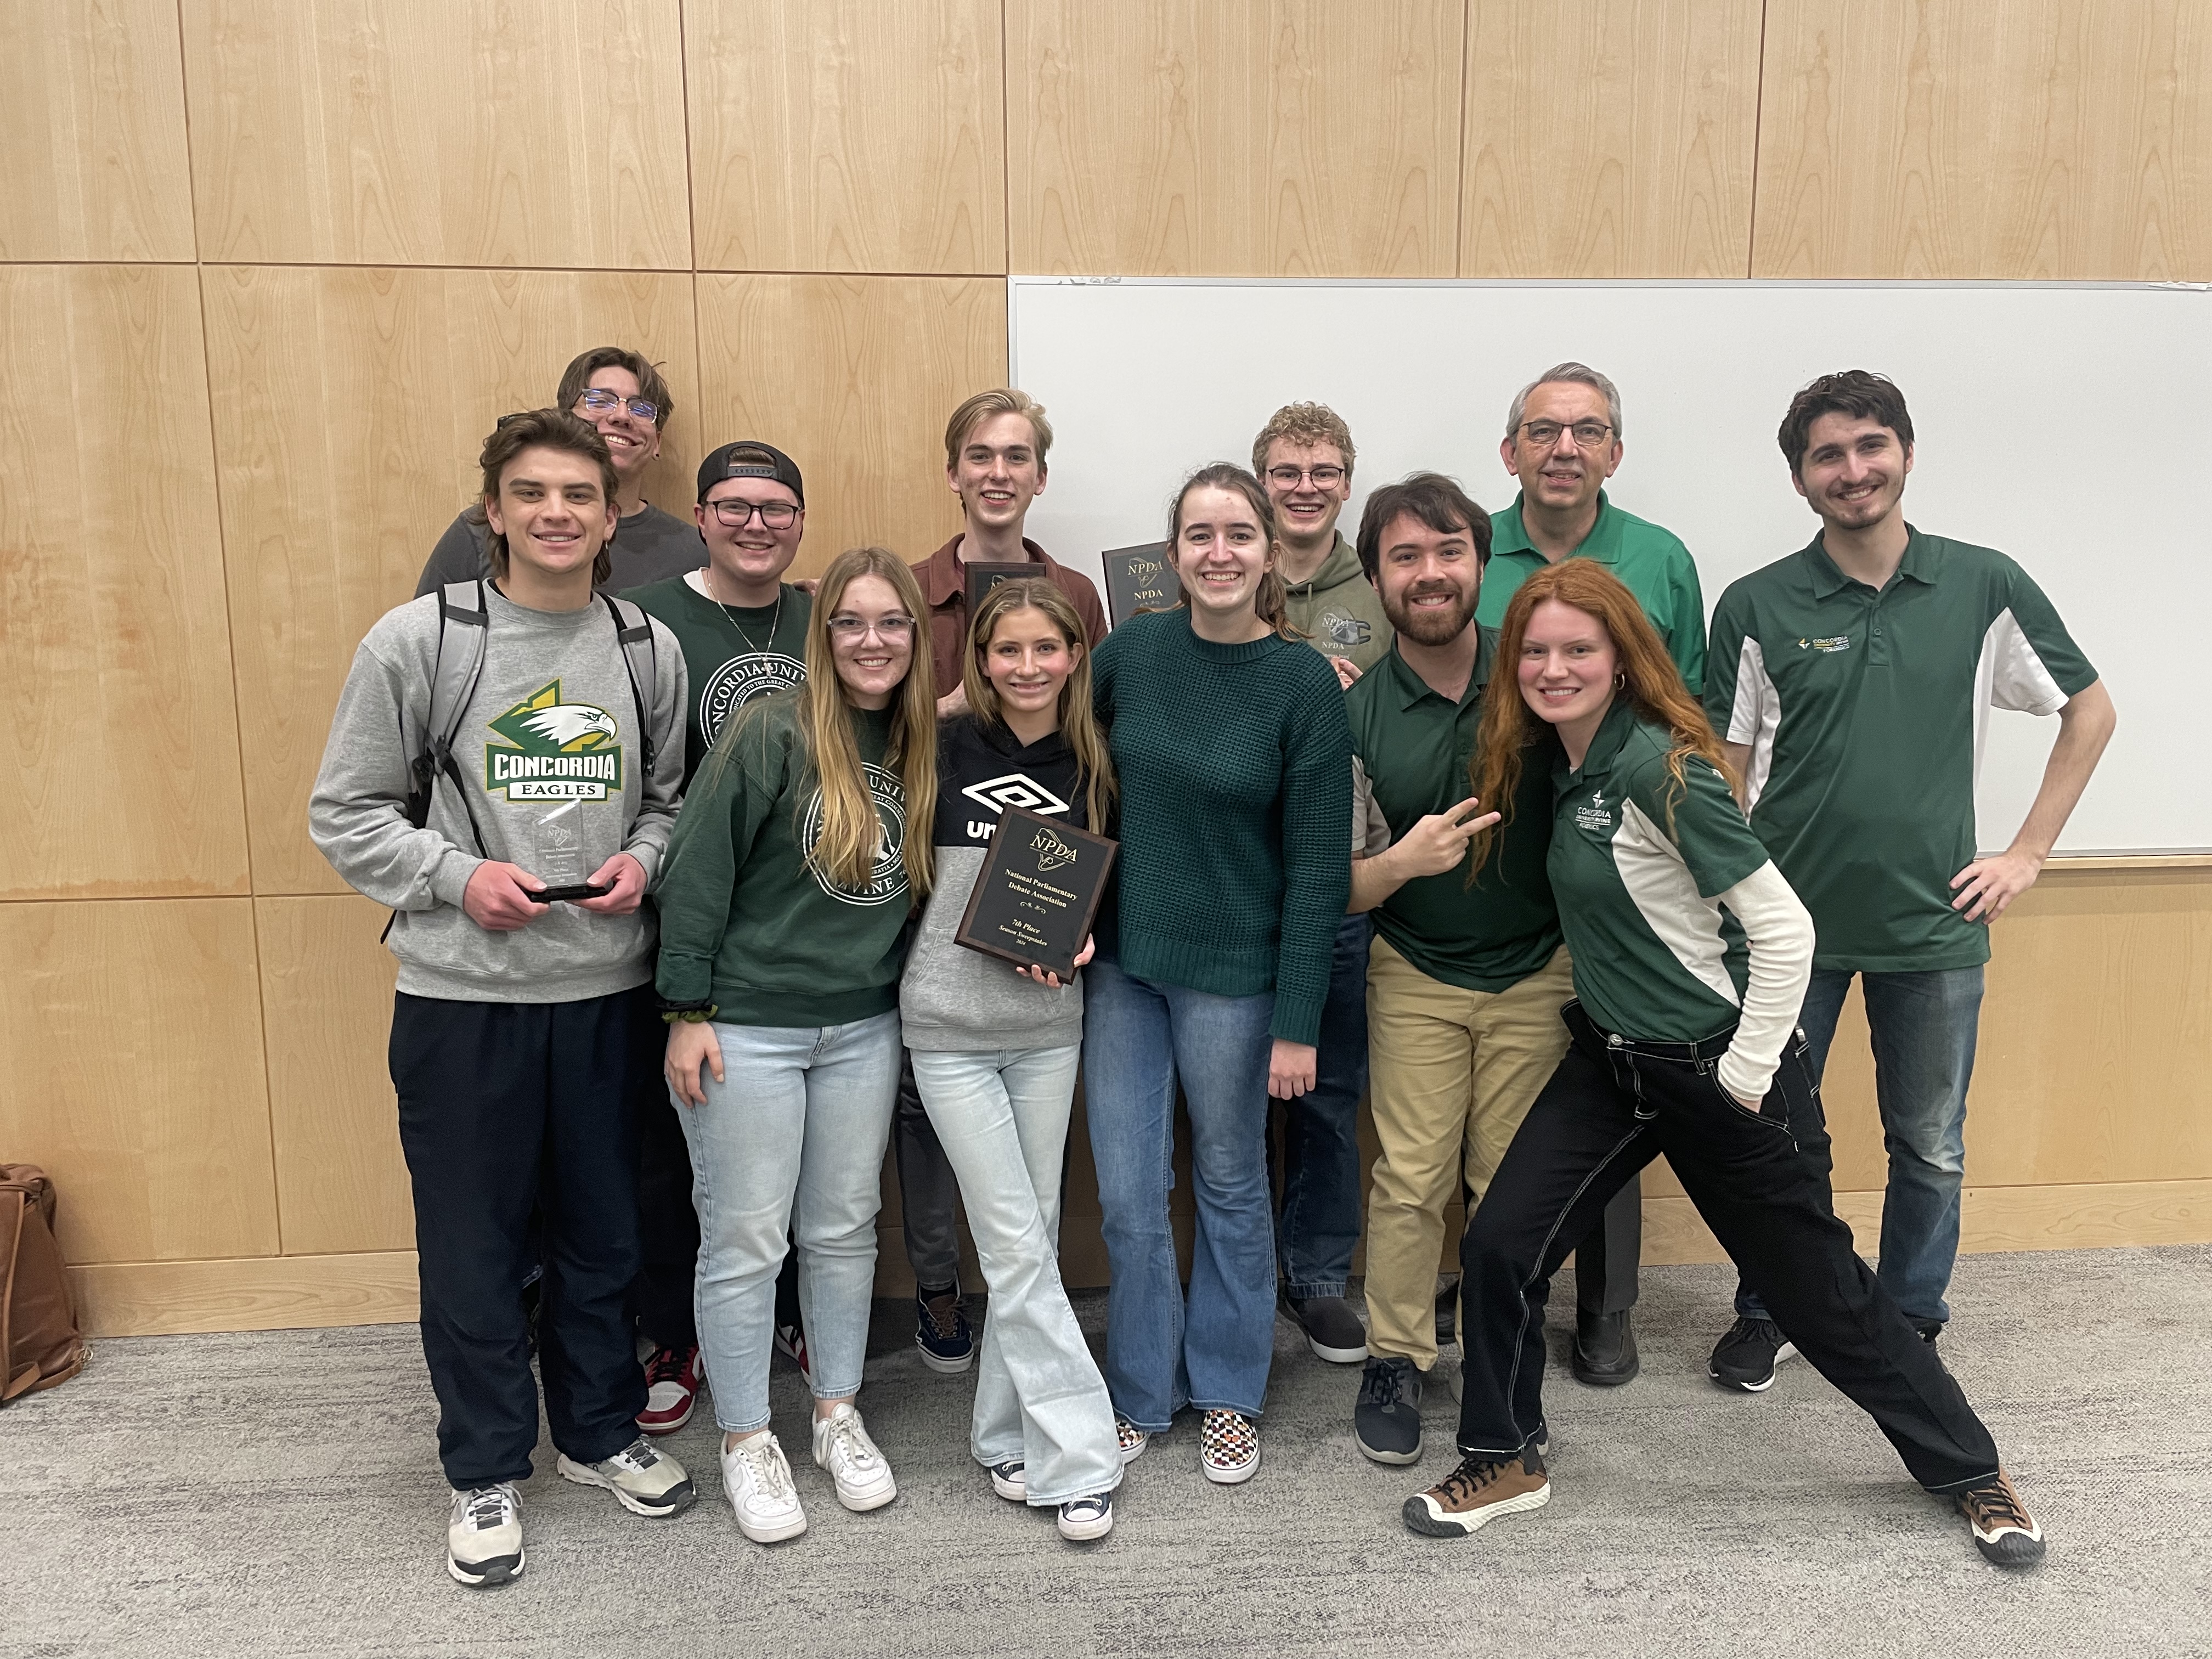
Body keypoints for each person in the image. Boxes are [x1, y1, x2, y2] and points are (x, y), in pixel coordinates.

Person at [1402, 558, 2047, 1570]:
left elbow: (1783, 928)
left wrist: (1743, 1078)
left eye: (1578, 648)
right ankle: (1503, 1455)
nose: (1553, 666)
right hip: (1614, 1062)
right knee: (1499, 1247)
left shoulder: (1662, 768)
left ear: (1621, 661)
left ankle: (1973, 1470)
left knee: (1820, 1296)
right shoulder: (1560, 762)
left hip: (1721, 1070)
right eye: (1534, 648)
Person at [310, 409, 695, 1587]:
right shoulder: (417, 642)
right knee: (473, 1248)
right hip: (462, 1000)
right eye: (531, 494)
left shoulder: (646, 647)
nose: (557, 514)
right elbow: (346, 812)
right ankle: (484, 1468)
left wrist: (648, 862)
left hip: (604, 999)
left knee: (604, 1238)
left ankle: (593, 1433)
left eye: (580, 495)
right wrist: (457, 877)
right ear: (493, 511)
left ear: (615, 513)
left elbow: (669, 802)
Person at [1701, 371, 2115, 1390]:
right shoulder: (1755, 601)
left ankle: (1912, 1316)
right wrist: (1724, 896)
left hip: (1934, 924)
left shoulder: (1982, 583)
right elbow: (1723, 764)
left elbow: (2090, 710)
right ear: (1800, 479)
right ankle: (1770, 1307)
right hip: (1788, 929)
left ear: (1906, 453)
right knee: (1770, 1133)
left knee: (1927, 1140)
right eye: (1828, 456)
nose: (1853, 470)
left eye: (1870, 445)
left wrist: (2026, 853)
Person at [655, 546, 936, 1546]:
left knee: (846, 1225)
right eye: (851, 622)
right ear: (824, 636)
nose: (872, 640)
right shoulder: (770, 726)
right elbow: (694, 870)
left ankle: (835, 1412)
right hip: (748, 1026)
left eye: (891, 622)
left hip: (864, 1020)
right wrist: (685, 1008)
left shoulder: (917, 742)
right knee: (743, 1236)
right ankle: (745, 1435)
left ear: (917, 634)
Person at [1084, 464, 1352, 1485]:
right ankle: (1141, 1390)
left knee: (1232, 1180)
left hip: (1238, 977)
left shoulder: (1301, 684)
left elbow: (1320, 866)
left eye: (1238, 533)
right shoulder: (1131, 653)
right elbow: (1065, 765)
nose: (1220, 552)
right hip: (1125, 968)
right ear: (1173, 552)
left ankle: (1230, 1390)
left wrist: (1296, 1022)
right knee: (1124, 1191)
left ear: (1269, 550)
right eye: (1199, 534)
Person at [1470, 360, 1711, 1384]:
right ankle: (1494, 1270)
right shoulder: (1470, 546)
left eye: (1587, 429)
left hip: (1626, 857)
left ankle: (1606, 1304)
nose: (1563, 446)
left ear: (1615, 450)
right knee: (1512, 1089)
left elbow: (1684, 709)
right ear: (1511, 449)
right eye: (1543, 428)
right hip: (1506, 844)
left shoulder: (1658, 558)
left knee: (1622, 1069)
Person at [1340, 473, 1576, 1465]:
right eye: (1405, 556)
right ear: (1375, 579)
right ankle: (1395, 1355)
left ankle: (1501, 1359)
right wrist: (1400, 864)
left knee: (1509, 1185)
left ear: (1483, 564)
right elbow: (1331, 886)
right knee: (1408, 1180)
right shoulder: (1347, 716)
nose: (1429, 573)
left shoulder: (1541, 684)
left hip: (1538, 970)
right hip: (1415, 969)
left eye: (1448, 552)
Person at [900, 578, 1126, 1541]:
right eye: (1007, 650)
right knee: (1012, 1238)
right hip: (947, 1028)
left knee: (1027, 1229)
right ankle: (1081, 1453)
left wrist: (1082, 941)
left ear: (1074, 655)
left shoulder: (1094, 762)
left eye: (1047, 648)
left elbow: (1104, 886)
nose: (1027, 666)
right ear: (977, 660)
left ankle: (1001, 1434)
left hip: (1046, 1027)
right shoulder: (938, 748)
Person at [899, 388, 1108, 1374]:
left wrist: (1083, 915)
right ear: (954, 471)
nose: (996, 471)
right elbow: (873, 730)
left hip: (1036, 952)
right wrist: (949, 716)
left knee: (1025, 1193)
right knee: (923, 1123)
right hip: (930, 906)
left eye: (1015, 455)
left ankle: (1007, 1319)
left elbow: (1092, 761)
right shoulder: (912, 586)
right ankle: (937, 1280)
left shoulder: (1074, 588)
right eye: (977, 454)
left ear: (1038, 475)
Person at [619, 441, 814, 1436]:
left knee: (794, 1162)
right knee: (681, 1154)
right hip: (682, 924)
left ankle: (786, 1318)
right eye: (734, 506)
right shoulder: (649, 617)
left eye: (776, 507)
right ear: (700, 514)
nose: (755, 524)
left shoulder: (823, 617)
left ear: (799, 521)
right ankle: (675, 1332)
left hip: (796, 924)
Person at [1248, 402, 1391, 1367]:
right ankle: (1237, 1272)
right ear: (1262, 479)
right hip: (1229, 879)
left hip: (1338, 874)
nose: (1305, 486)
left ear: (1346, 481)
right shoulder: (1209, 573)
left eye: (1324, 470)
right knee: (1223, 1097)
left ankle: (1318, 1274)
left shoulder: (1383, 586)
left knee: (1329, 1090)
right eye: (1288, 470)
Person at [415, 347, 703, 596]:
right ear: (565, 419)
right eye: (600, 400)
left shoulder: (693, 550)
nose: (621, 416)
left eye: (641, 409)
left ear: (657, 442)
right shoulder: (480, 529)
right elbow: (428, 640)